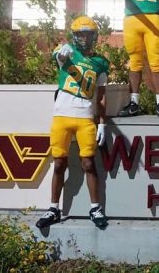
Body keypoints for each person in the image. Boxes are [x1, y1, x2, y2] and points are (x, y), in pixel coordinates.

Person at [36, 16, 110, 229]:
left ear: (94, 35)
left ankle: (95, 208)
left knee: (89, 163)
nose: (84, 38)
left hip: (85, 115)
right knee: (58, 163)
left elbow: (102, 95)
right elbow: (59, 56)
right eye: (80, 34)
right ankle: (53, 208)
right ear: (74, 35)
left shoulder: (101, 62)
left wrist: (102, 122)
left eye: (87, 33)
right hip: (62, 115)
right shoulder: (67, 52)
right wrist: (62, 53)